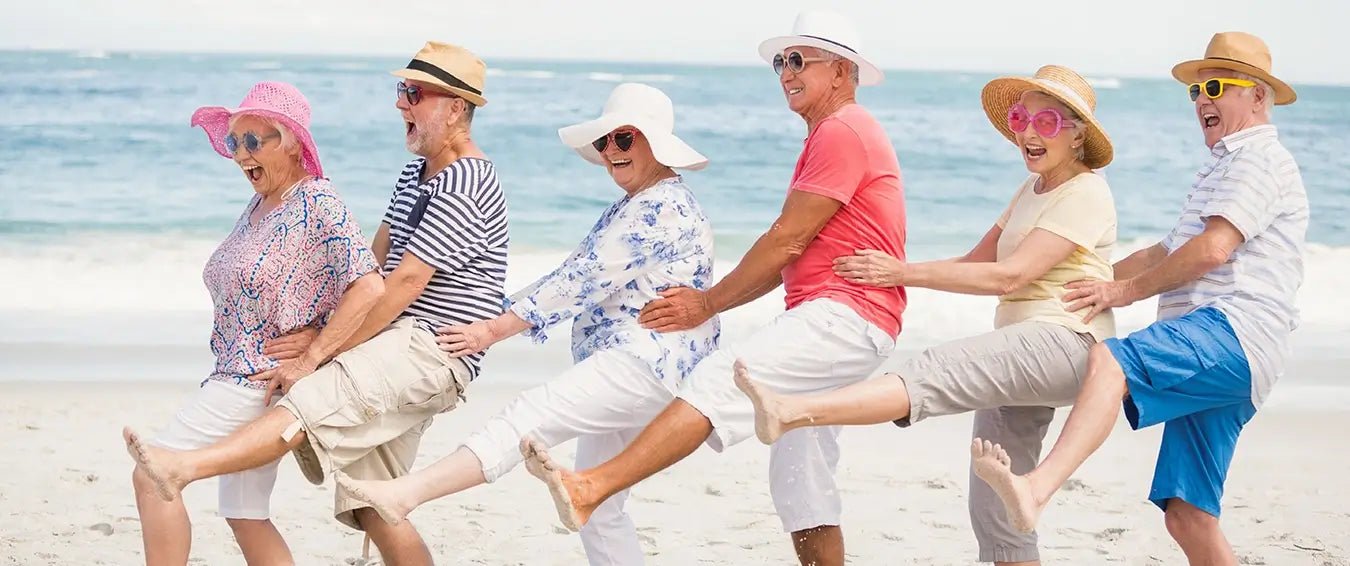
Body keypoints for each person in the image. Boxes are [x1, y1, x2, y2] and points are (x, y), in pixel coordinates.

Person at [519, 11, 905, 566]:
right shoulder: (835, 133)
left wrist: (706, 303)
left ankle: (592, 485)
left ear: (842, 71)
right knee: (801, 480)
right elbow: (788, 253)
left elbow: (786, 240)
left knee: (718, 378)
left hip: (844, 316)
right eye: (781, 61)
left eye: (799, 60)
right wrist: (714, 302)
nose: (785, 72)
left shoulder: (843, 130)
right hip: (851, 317)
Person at [122, 41, 508, 565]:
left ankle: (182, 468)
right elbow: (370, 266)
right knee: (375, 504)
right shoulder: (415, 176)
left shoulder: (466, 179)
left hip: (426, 345)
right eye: (402, 91)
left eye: (414, 94)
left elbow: (401, 285)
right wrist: (328, 329)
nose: (401, 104)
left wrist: (317, 354)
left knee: (304, 401)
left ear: (457, 107)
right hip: (391, 339)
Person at [734, 65, 1117, 565]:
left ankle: (792, 411)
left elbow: (1009, 277)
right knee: (998, 508)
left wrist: (900, 272)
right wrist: (897, 272)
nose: (1026, 131)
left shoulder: (1086, 191)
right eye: (1022, 118)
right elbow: (976, 264)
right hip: (1023, 352)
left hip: (1064, 344)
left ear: (1078, 133)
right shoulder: (1030, 192)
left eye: (1045, 123)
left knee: (933, 373)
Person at [338, 82, 717, 566]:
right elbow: (576, 277)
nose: (612, 152)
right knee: (599, 509)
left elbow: (578, 280)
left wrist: (487, 330)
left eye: (625, 139)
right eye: (605, 142)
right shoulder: (642, 201)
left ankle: (404, 495)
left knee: (527, 416)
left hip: (645, 364)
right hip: (652, 369)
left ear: (656, 145)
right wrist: (487, 315)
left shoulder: (661, 206)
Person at [971, 32, 1308, 566]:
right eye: (1195, 91)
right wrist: (1086, 282)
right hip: (1231, 354)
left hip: (1228, 332)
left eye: (1216, 86)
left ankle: (1037, 489)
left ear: (1259, 96)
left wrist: (1119, 293)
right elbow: (1163, 253)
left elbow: (1211, 251)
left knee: (1110, 360)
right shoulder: (1222, 167)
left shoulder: (1258, 160)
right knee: (1188, 515)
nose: (1202, 100)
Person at [126, 81, 385, 566]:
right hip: (240, 372)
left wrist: (312, 356)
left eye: (252, 141)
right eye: (232, 142)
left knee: (152, 471)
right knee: (244, 512)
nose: (240, 154)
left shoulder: (316, 201)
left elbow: (368, 285)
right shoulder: (263, 204)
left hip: (255, 378)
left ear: (290, 142)